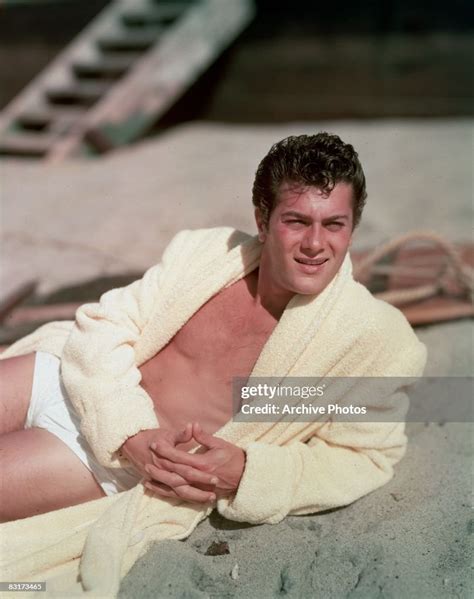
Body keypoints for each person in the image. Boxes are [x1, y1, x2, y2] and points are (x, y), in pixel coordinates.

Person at [0, 133, 426, 525]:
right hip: (71, 379)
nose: (315, 244)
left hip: (105, 458)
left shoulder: (372, 336)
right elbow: (108, 321)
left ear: (351, 228)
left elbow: (364, 457)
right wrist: (128, 430)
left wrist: (246, 470)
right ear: (263, 221)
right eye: (296, 221)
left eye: (334, 224)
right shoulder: (211, 253)